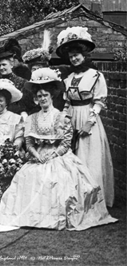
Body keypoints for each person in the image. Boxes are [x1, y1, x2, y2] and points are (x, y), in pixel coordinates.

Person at [0, 68, 117, 230]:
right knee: (28, 177)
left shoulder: (62, 117)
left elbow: (66, 143)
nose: (42, 99)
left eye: (45, 95)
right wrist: (35, 154)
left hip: (58, 157)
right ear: (35, 99)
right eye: (39, 96)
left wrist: (53, 154)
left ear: (51, 96)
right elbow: (30, 142)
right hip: (38, 157)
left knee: (58, 180)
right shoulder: (32, 118)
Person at [56, 26, 114, 207]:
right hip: (72, 117)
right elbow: (66, 103)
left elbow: (99, 101)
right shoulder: (68, 78)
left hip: (89, 118)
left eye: (77, 55)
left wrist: (90, 122)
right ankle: (75, 200)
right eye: (71, 55)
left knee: (89, 158)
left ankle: (93, 201)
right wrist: (64, 119)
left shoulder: (96, 76)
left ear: (84, 55)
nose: (74, 58)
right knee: (71, 159)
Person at [0, 39, 37, 118]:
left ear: (11, 64)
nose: (1, 68)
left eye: (4, 65)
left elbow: (29, 106)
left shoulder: (22, 83)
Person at [22, 30, 65, 110]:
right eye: (34, 69)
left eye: (39, 69)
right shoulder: (27, 87)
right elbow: (25, 104)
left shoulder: (55, 84)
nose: (37, 72)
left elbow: (59, 104)